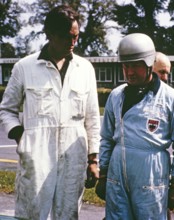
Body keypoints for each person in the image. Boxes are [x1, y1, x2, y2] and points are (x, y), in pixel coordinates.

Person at [0, 5, 100, 219]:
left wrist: (93, 160)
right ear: (50, 34)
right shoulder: (24, 67)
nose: (73, 43)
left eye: (76, 37)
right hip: (36, 159)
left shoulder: (85, 69)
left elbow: (92, 118)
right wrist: (21, 137)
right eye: (67, 37)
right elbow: (6, 110)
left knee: (68, 214)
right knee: (31, 214)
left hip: (74, 159)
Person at [96, 33, 174, 219]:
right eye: (126, 66)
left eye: (136, 65)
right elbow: (107, 138)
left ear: (149, 64)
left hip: (152, 174)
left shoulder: (173, 99)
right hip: (117, 173)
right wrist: (103, 174)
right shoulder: (116, 96)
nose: (130, 72)